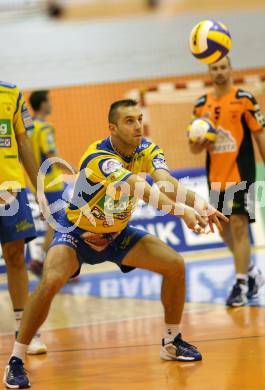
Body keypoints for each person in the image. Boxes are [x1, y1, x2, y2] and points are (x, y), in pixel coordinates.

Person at [4, 99, 227, 389]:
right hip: (78, 233)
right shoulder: (100, 157)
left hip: (117, 234)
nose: (137, 126)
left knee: (175, 265)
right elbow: (142, 190)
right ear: (113, 127)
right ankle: (16, 359)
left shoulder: (146, 148)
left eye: (138, 118)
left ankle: (171, 341)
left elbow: (165, 181)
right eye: (129, 121)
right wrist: (182, 211)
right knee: (51, 281)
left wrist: (203, 205)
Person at [189, 56, 265, 307]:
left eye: (223, 67)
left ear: (231, 69)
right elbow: (193, 149)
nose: (219, 72)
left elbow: (259, 134)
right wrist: (200, 140)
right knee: (223, 229)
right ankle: (252, 271)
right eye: (215, 68)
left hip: (241, 173)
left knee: (240, 226)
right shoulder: (201, 105)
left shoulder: (245, 99)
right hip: (215, 178)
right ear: (209, 71)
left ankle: (241, 285)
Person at [0, 81, 47, 355]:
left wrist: (38, 186)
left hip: (10, 188)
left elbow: (23, 141)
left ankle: (26, 333)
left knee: (16, 255)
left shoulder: (12, 92)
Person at [27, 90, 74, 277]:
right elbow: (51, 155)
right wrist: (73, 170)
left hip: (35, 182)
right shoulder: (45, 128)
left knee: (55, 224)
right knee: (59, 223)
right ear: (43, 104)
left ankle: (42, 262)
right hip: (51, 183)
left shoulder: (27, 127)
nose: (51, 104)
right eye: (49, 100)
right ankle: (44, 263)